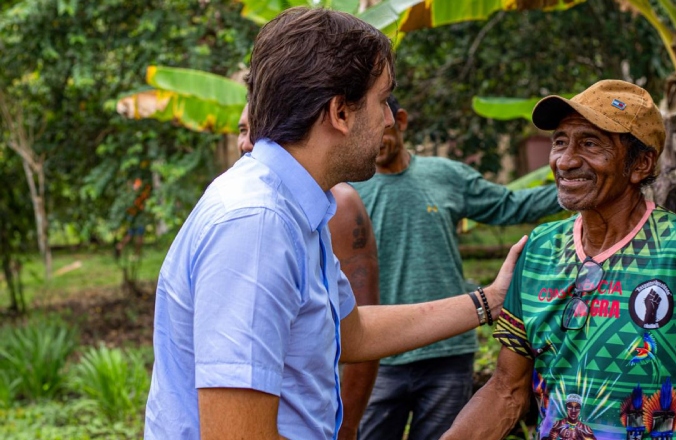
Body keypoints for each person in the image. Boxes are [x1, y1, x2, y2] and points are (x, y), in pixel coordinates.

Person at [143, 7, 527, 440]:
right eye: (381, 101)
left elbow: (353, 332)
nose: (388, 119)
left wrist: (489, 300)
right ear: (340, 113)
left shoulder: (300, 206)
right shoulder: (257, 227)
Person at [442, 79, 676, 439]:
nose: (564, 161)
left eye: (590, 143)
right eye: (560, 141)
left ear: (641, 164)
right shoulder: (538, 250)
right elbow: (507, 389)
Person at [351, 95, 562, 440]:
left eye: (382, 130)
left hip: (448, 351)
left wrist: (575, 190)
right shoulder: (348, 189)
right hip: (380, 354)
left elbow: (508, 206)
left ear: (399, 121)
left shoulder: (445, 175)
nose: (376, 142)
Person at [236, 103, 380, 440]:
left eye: (254, 131)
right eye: (242, 131)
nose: (247, 143)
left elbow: (355, 331)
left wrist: (483, 303)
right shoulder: (255, 220)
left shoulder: (319, 209)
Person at [115, 176, 150, 259]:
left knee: (130, 234)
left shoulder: (129, 189)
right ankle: (137, 254)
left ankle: (120, 246)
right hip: (137, 215)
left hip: (131, 214)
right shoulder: (139, 186)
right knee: (139, 235)